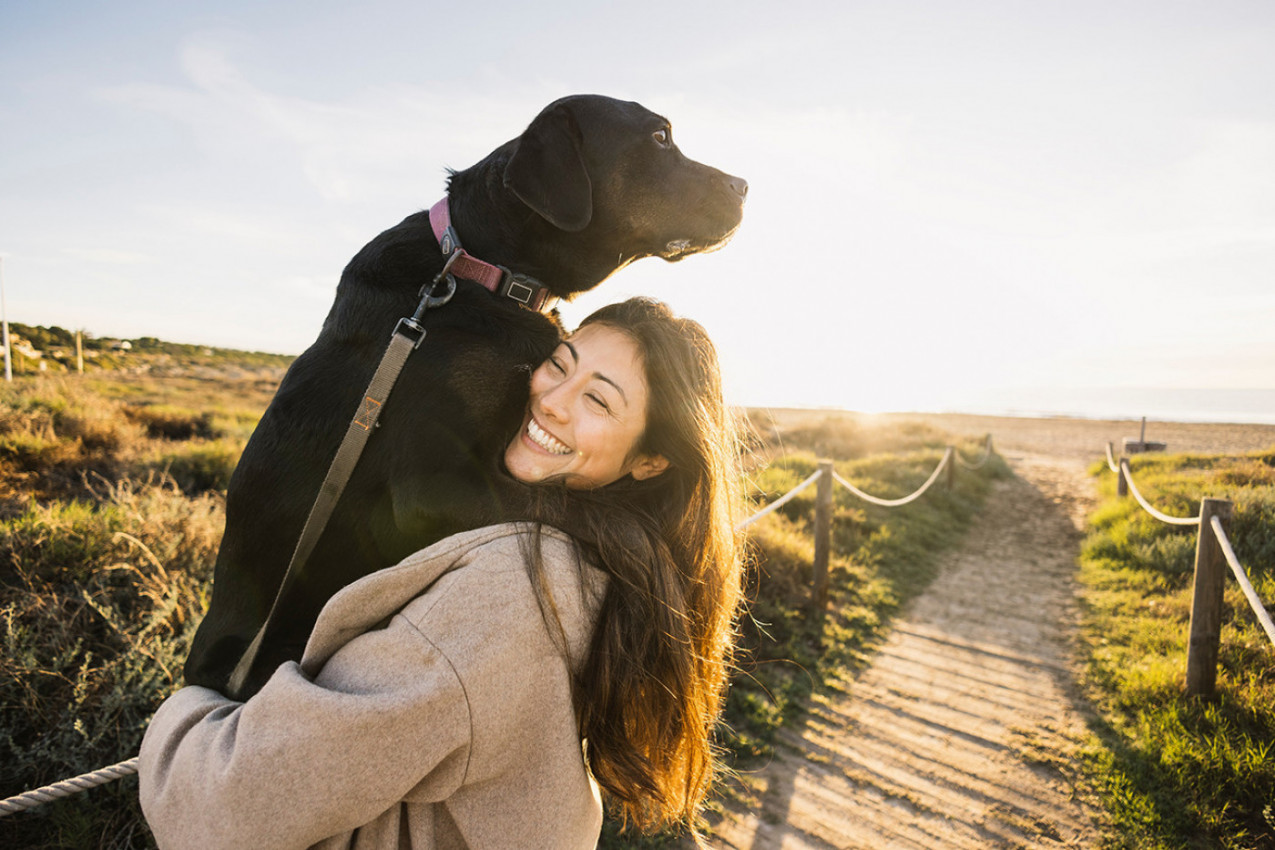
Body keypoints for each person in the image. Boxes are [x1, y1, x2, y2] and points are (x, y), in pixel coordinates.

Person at [138, 297, 745, 850]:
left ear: (649, 460)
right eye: (560, 365)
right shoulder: (616, 572)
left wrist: (186, 712)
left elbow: (225, 810)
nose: (554, 400)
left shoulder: (512, 595)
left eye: (599, 400)